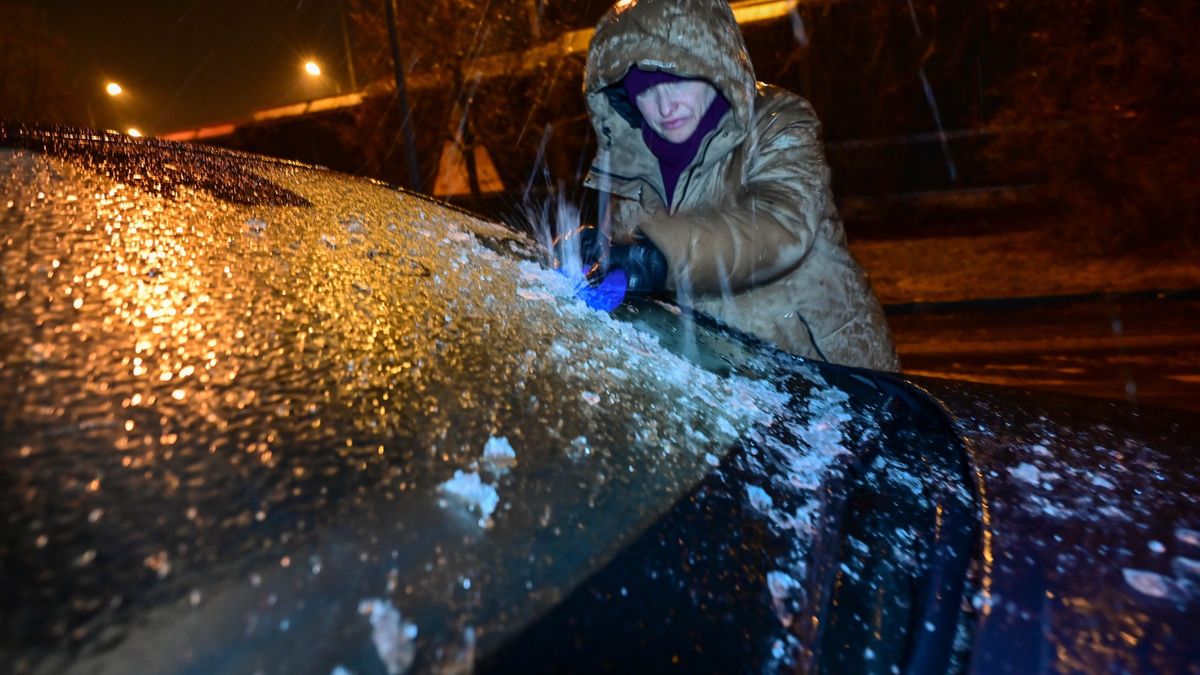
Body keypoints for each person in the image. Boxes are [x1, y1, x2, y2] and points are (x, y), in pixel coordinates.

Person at [581, 0, 900, 371]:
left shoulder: (777, 123)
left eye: (677, 81)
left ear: (712, 68)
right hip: (731, 377)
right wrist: (598, 253)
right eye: (646, 92)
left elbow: (780, 228)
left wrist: (660, 257)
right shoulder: (636, 164)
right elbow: (633, 256)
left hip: (830, 370)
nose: (665, 108)